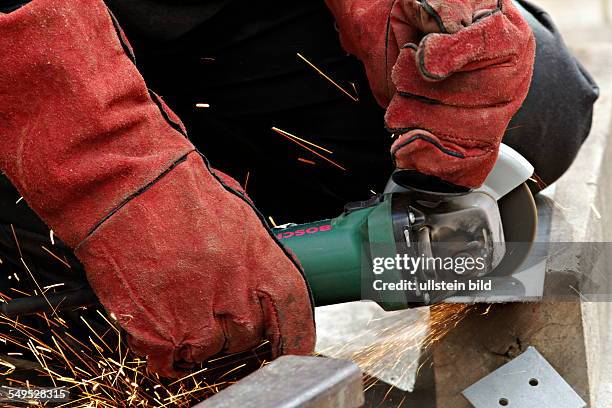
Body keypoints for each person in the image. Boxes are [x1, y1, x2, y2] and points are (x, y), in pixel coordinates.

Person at [0, 0, 598, 377]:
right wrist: (114, 182)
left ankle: (219, 203)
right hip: (29, 59)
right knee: (79, 330)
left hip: (212, 21)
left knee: (533, 107)